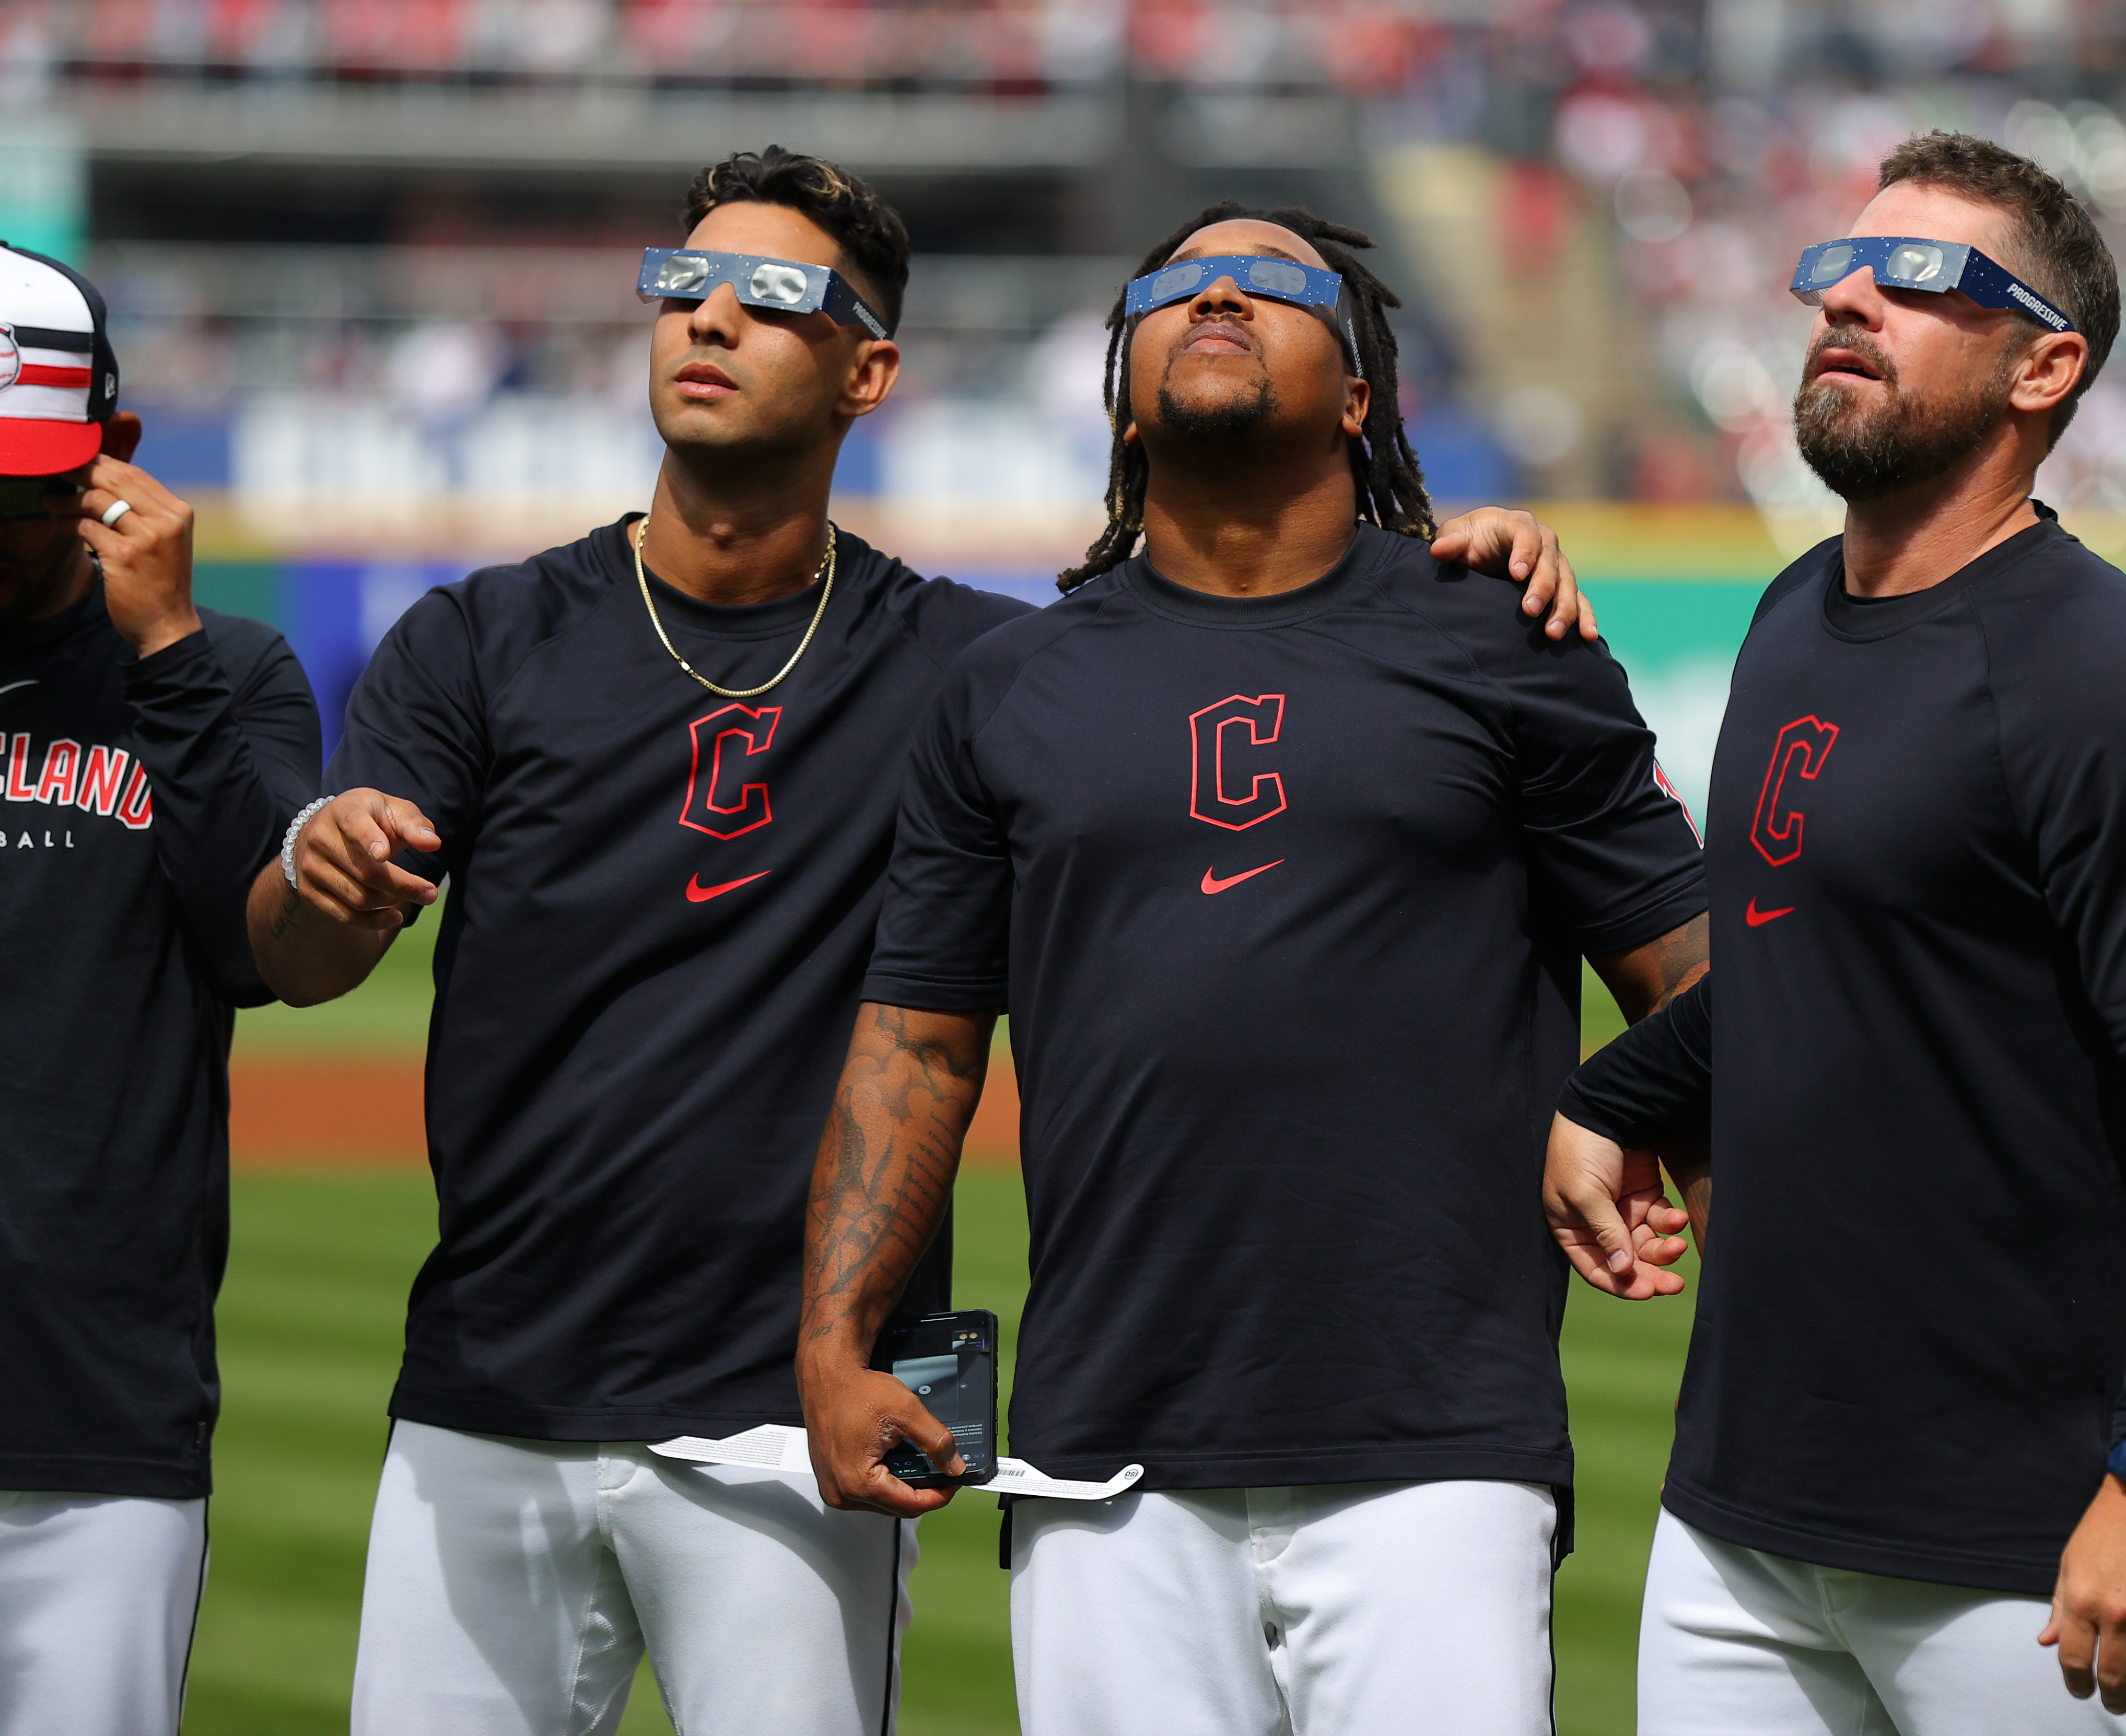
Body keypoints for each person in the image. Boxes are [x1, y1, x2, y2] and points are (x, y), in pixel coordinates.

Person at [243, 151, 1592, 1736]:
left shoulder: (981, 671)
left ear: (868, 369)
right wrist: (311, 869)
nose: (712, 322)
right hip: (485, 1392)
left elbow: (1217, 643)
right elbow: (298, 961)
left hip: (782, 1423)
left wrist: (1459, 555)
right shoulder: (473, 637)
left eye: (779, 298)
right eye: (683, 288)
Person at [798, 202, 1711, 1736]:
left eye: (1274, 284)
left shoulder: (1503, 637)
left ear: (1357, 390)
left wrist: (1616, 1106)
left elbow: (1699, 975)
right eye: (1172, 286)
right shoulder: (1003, 690)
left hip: (1435, 1449)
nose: (1216, 292)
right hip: (1108, 1455)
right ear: (1116, 380)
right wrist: (829, 1344)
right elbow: (917, 1047)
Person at [1544, 132, 2126, 1735]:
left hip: (2025, 1548)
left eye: (1924, 281)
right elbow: (1803, 964)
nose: (1850, 302)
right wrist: (1610, 1098)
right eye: (1839, 269)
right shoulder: (1790, 613)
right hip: (1740, 1521)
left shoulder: (2109, 679)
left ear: (2047, 366)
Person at [0, 242, 322, 1736]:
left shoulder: (229, 674)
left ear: (107, 459)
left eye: (22, 476)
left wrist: (171, 654)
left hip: (98, 1412)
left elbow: (255, 948)